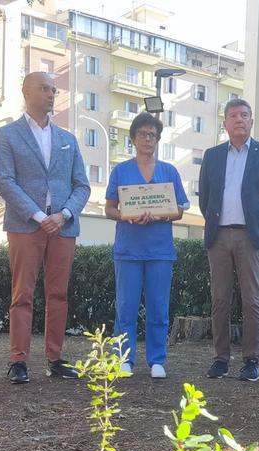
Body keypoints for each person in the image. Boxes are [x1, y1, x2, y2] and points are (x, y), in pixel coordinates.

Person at [0, 71, 90, 384]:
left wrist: (64, 214)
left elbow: (82, 185)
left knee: (58, 294)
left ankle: (55, 358)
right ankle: (18, 360)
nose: (51, 94)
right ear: (26, 91)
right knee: (22, 294)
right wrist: (38, 215)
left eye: (53, 89)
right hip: (25, 225)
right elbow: (5, 181)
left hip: (63, 226)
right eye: (44, 88)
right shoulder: (8, 134)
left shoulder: (68, 139)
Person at [199, 98, 259, 382]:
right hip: (219, 235)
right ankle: (220, 359)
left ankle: (251, 360)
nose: (239, 119)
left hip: (250, 235)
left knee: (252, 300)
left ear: (251, 121)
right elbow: (205, 197)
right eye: (233, 115)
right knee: (220, 299)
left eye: (244, 115)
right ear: (224, 123)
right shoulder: (212, 156)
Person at [103, 112, 188, 379]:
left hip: (160, 250)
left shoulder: (169, 171)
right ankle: (124, 359)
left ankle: (157, 360)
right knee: (126, 308)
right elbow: (109, 208)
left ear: (158, 139)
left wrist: (162, 214)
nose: (148, 139)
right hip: (128, 250)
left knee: (158, 307)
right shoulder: (121, 171)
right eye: (143, 134)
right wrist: (127, 216)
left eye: (153, 135)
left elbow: (180, 209)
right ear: (133, 138)